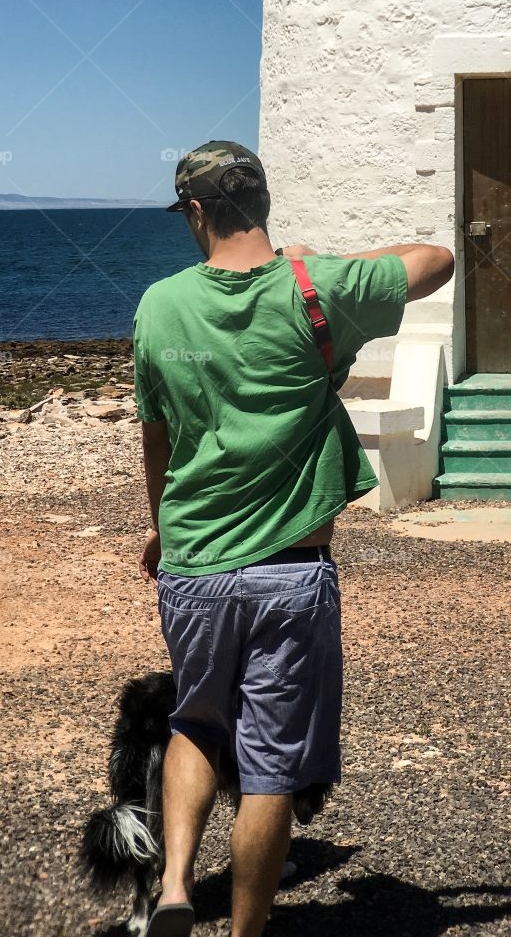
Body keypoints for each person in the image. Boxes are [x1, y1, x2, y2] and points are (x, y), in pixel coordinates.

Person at [133, 141, 454, 937]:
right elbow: (438, 258)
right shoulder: (321, 289)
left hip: (195, 563)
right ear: (266, 205)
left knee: (195, 723)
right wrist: (319, 262)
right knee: (271, 764)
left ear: (198, 214)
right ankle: (247, 932)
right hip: (291, 569)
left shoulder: (159, 307)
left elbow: (158, 438)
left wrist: (159, 527)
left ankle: (175, 884)